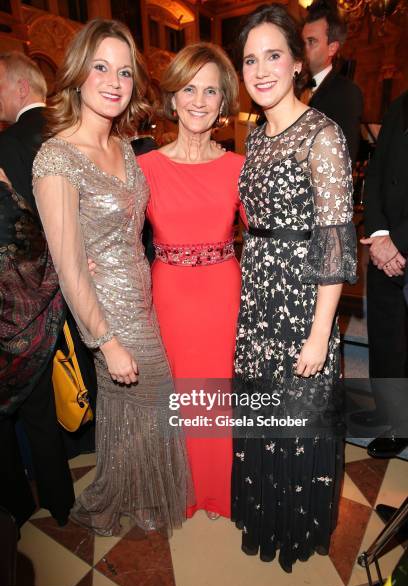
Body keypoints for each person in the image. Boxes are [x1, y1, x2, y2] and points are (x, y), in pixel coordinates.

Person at [32, 19, 192, 537]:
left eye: (124, 71)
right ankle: (125, 494)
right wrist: (105, 340)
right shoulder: (56, 157)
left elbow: (129, 228)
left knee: (131, 407)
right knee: (154, 394)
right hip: (105, 310)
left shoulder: (124, 148)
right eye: (101, 67)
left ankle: (132, 493)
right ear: (78, 74)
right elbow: (68, 263)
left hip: (141, 294)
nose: (114, 81)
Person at [232, 4, 357, 572]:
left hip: (304, 301)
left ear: (298, 61)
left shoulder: (322, 135)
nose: (260, 70)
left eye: (273, 55)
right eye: (250, 59)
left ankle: (296, 526)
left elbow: (334, 246)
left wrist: (319, 333)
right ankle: (265, 515)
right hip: (259, 297)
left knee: (300, 421)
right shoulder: (256, 138)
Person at [137, 43, 244, 520]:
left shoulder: (239, 168)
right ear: (173, 98)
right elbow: (114, 239)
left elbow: (270, 239)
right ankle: (180, 486)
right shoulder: (144, 169)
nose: (198, 100)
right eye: (188, 89)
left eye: (210, 91)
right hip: (170, 298)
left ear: (223, 103)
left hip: (224, 296)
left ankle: (220, 488)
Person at [0, 52, 74, 528]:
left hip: (19, 298)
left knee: (10, 408)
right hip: (69, 288)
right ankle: (61, 502)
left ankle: (18, 504)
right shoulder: (70, 133)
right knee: (48, 397)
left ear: (21, 87)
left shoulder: (7, 145)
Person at [354, 90, 408, 458]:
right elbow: (375, 174)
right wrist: (378, 234)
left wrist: (399, 241)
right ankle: (393, 417)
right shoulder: (400, 104)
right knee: (387, 341)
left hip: (401, 243)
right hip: (384, 243)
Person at [302, 0, 363, 164]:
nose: (303, 48)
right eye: (302, 42)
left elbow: (343, 159)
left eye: (311, 42)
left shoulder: (347, 93)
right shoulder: (293, 86)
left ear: (332, 48)